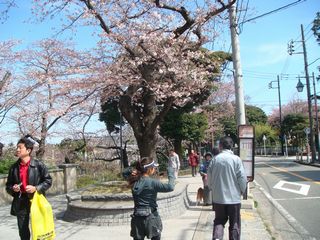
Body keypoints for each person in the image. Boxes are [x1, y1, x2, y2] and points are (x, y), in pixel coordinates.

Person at [5, 136, 52, 240]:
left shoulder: (39, 165)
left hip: (36, 199)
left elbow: (48, 181)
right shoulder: (14, 167)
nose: (17, 149)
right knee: (22, 229)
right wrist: (13, 188)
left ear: (28, 150)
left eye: (20, 147)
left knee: (39, 227)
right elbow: (8, 186)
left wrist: (36, 188)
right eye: (17, 147)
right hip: (20, 200)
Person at [123, 157, 175, 240]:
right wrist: (171, 172)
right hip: (152, 218)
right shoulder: (152, 182)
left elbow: (124, 173)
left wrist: (131, 170)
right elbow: (170, 187)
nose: (154, 169)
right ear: (149, 170)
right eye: (154, 167)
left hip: (137, 219)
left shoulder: (134, 181)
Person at [207, 137, 247, 240]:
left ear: (220, 146)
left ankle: (217, 238)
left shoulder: (214, 160)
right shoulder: (236, 159)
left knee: (219, 221)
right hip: (234, 198)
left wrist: (212, 189)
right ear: (232, 146)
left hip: (218, 198)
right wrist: (242, 190)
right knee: (234, 223)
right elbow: (242, 178)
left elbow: (209, 179)